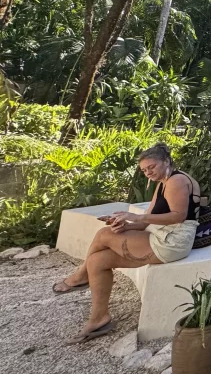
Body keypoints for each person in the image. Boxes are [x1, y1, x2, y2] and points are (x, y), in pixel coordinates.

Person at [54, 143, 201, 344]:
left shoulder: (177, 180)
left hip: (173, 242)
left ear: (166, 161)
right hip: (161, 235)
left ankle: (80, 276)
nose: (148, 173)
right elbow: (147, 222)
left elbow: (178, 216)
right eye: (144, 170)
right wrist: (125, 225)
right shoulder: (162, 183)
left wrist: (136, 218)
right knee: (97, 261)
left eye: (151, 167)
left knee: (103, 235)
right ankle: (99, 318)